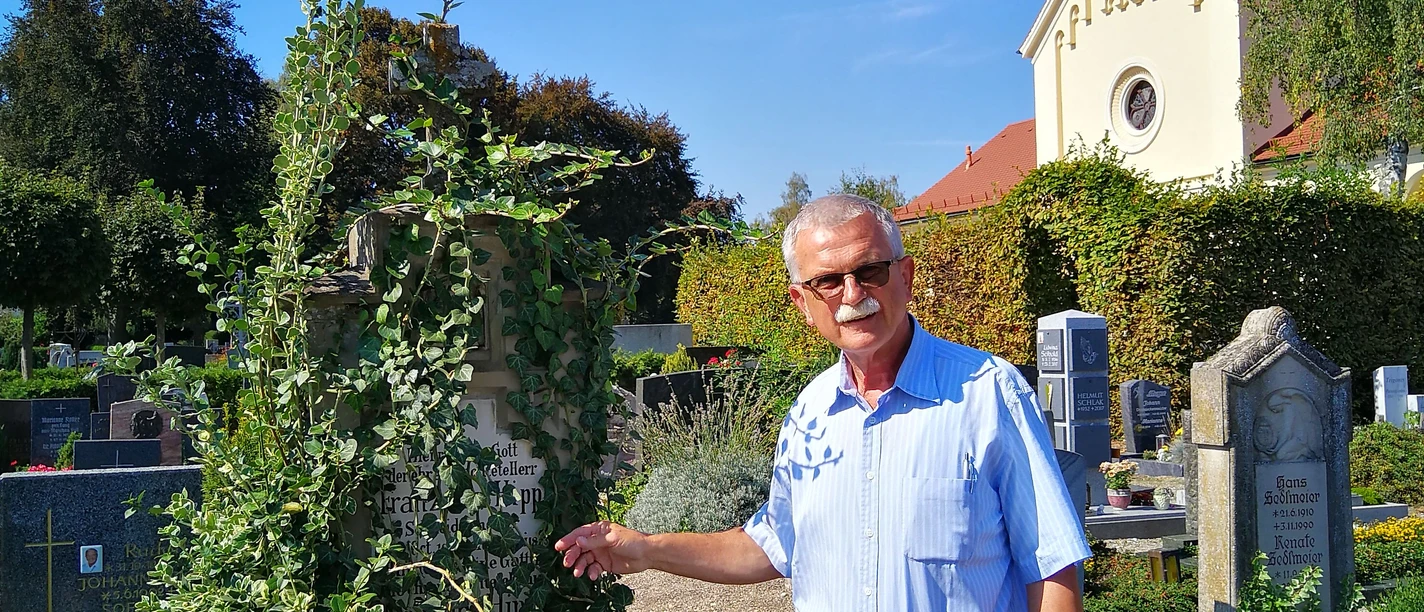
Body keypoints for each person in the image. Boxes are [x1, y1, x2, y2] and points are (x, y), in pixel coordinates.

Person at [557, 194, 1090, 611]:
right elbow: (773, 544)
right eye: (829, 281)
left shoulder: (988, 394)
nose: (853, 295)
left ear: (904, 277)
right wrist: (647, 548)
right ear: (802, 302)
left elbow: (1051, 567)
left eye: (871, 271)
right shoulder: (810, 414)